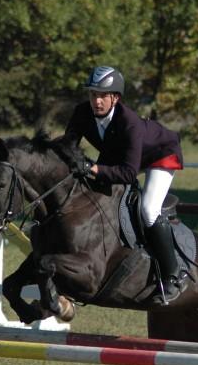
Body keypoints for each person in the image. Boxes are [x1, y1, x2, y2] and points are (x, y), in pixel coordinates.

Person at [65, 66, 185, 305]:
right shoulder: (82, 113)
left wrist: (93, 168)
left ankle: (173, 275)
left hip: (160, 154)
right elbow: (66, 147)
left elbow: (129, 174)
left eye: (102, 96)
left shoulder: (129, 122)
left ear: (115, 98)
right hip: (121, 153)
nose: (96, 101)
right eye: (93, 94)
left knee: (148, 210)